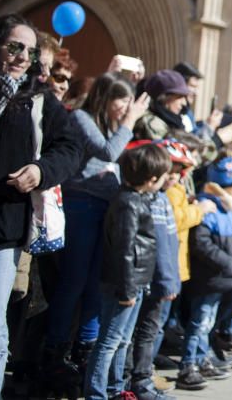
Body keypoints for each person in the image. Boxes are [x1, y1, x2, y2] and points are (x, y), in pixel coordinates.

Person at [0, 14, 80, 399]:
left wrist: (40, 171)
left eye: (29, 51)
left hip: (3, 228)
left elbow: (71, 148)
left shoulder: (38, 99)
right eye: (14, 46)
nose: (22, 57)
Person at [44, 74, 150, 372]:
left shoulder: (114, 125)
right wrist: (130, 120)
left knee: (96, 284)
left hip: (105, 207)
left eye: (130, 102)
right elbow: (107, 151)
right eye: (122, 100)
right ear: (105, 98)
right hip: (81, 205)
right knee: (74, 281)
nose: (127, 107)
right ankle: (55, 350)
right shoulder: (81, 117)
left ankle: (84, 351)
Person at [83, 142, 169, 400]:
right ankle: (96, 393)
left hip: (136, 282)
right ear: (152, 179)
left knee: (122, 340)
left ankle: (115, 389)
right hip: (124, 284)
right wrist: (127, 288)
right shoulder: (128, 204)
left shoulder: (138, 199)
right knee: (109, 341)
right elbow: (124, 250)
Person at [176, 156, 232, 391]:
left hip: (219, 278)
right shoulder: (209, 208)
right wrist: (228, 263)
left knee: (207, 323)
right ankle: (188, 365)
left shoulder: (226, 210)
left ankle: (201, 358)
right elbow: (202, 244)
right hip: (209, 278)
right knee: (199, 322)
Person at [129, 140, 183, 400]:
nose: (174, 177)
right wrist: (167, 282)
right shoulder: (151, 202)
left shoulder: (161, 199)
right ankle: (138, 381)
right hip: (153, 281)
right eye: (170, 172)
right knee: (144, 333)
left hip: (164, 279)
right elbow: (159, 248)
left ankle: (143, 378)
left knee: (150, 331)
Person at [136, 70, 192, 140]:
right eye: (179, 97)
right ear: (163, 98)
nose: (184, 103)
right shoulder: (152, 124)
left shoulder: (173, 120)